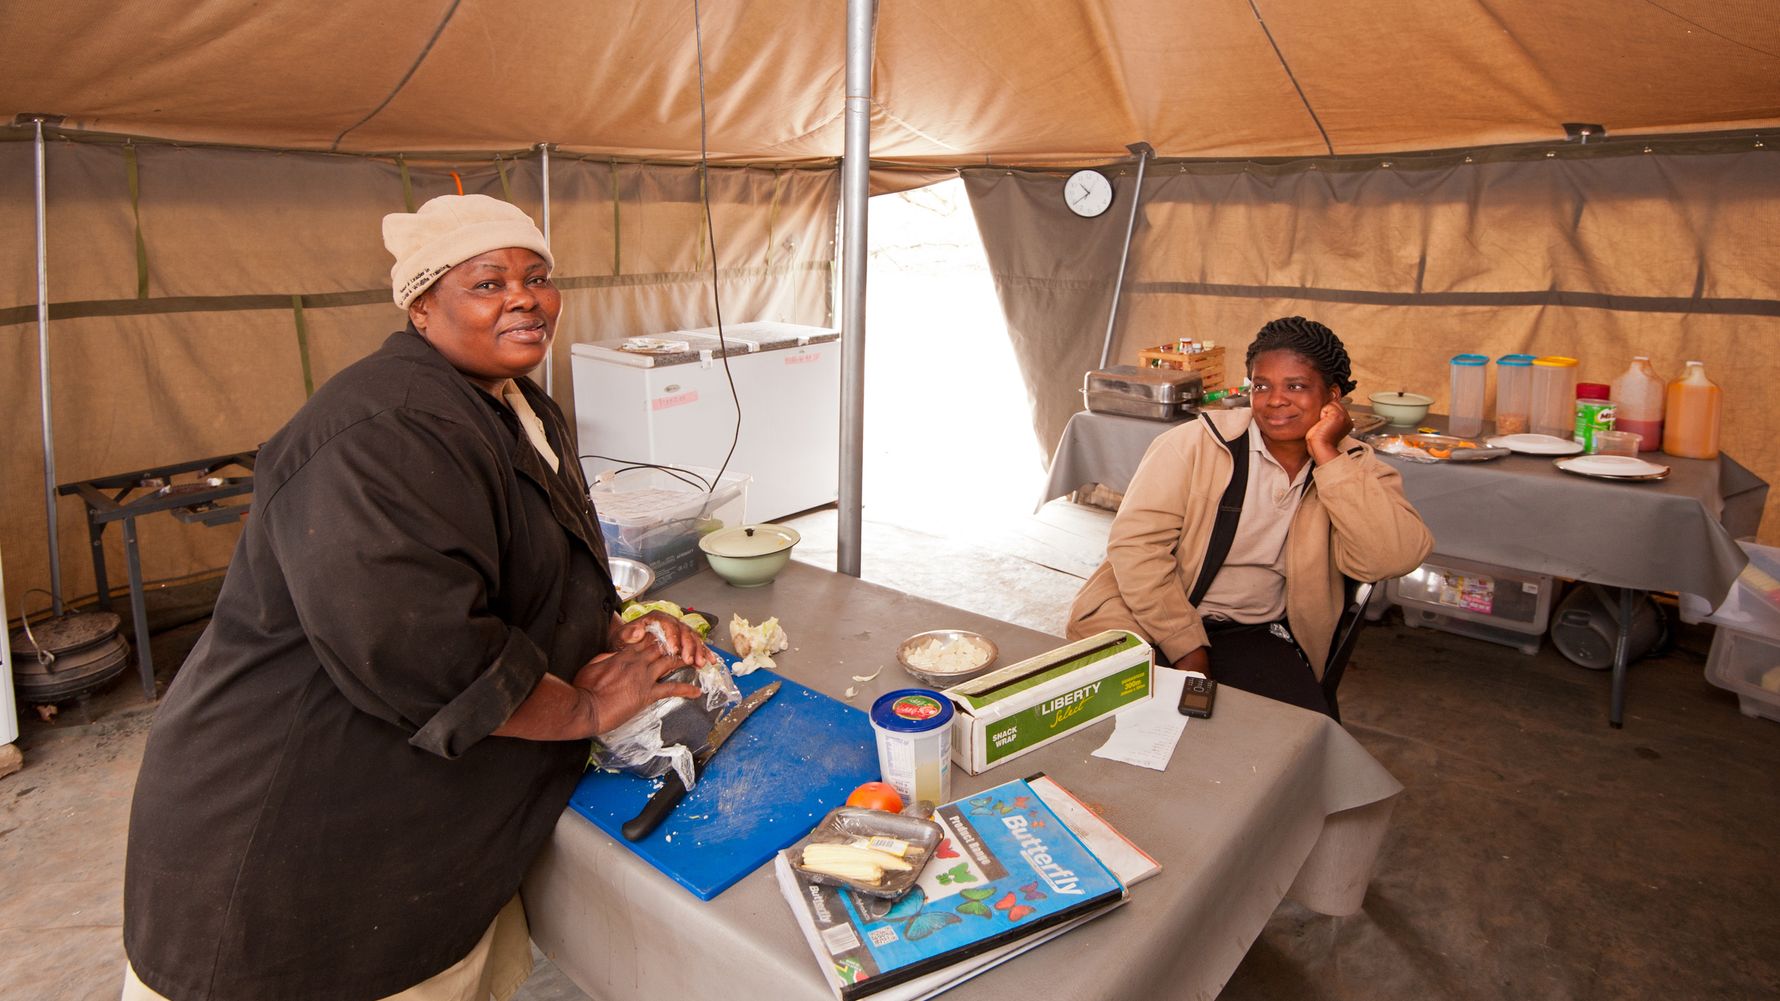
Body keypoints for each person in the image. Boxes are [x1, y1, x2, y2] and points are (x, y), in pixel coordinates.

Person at [121, 194, 714, 1001]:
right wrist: (580, 710)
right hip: (298, 837)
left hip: (425, 834)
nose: (524, 298)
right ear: (421, 304)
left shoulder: (515, 404)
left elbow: (527, 565)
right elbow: (427, 655)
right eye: (487, 282)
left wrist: (610, 628)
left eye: (538, 277)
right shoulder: (386, 429)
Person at [1066, 316, 1433, 716]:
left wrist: (1329, 457)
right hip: (1148, 613)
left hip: (1249, 630)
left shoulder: (1353, 466)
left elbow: (1391, 559)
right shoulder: (1191, 445)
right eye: (1262, 385)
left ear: (1332, 397)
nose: (1275, 399)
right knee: (1128, 732)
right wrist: (1187, 648)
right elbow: (1135, 549)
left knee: (1300, 741)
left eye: (1296, 386)